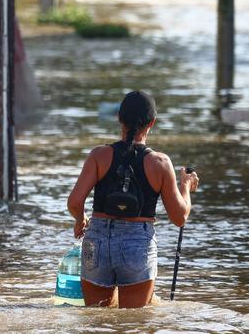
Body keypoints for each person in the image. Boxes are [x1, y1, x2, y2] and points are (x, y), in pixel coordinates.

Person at [67, 90, 199, 308]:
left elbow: (74, 202)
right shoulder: (160, 163)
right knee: (134, 323)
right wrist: (185, 185)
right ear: (152, 123)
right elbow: (179, 217)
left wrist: (79, 220)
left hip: (96, 242)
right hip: (137, 245)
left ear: (119, 117)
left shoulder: (99, 155)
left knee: (96, 321)